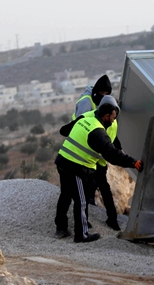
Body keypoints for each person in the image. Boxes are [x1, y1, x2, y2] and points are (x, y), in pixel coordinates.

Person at [55, 95, 142, 242]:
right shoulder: (98, 132)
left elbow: (66, 130)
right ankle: (81, 235)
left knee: (65, 195)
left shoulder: (86, 119)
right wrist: (133, 163)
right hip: (75, 166)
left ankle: (61, 228)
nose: (114, 120)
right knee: (81, 201)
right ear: (106, 116)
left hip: (63, 161)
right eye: (113, 117)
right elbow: (111, 154)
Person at [73, 74, 120, 229]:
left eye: (107, 94)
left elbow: (109, 135)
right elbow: (82, 127)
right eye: (102, 93)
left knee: (101, 185)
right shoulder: (87, 103)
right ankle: (86, 219)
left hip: (97, 154)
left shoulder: (107, 113)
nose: (104, 96)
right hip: (84, 153)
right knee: (86, 187)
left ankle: (111, 219)